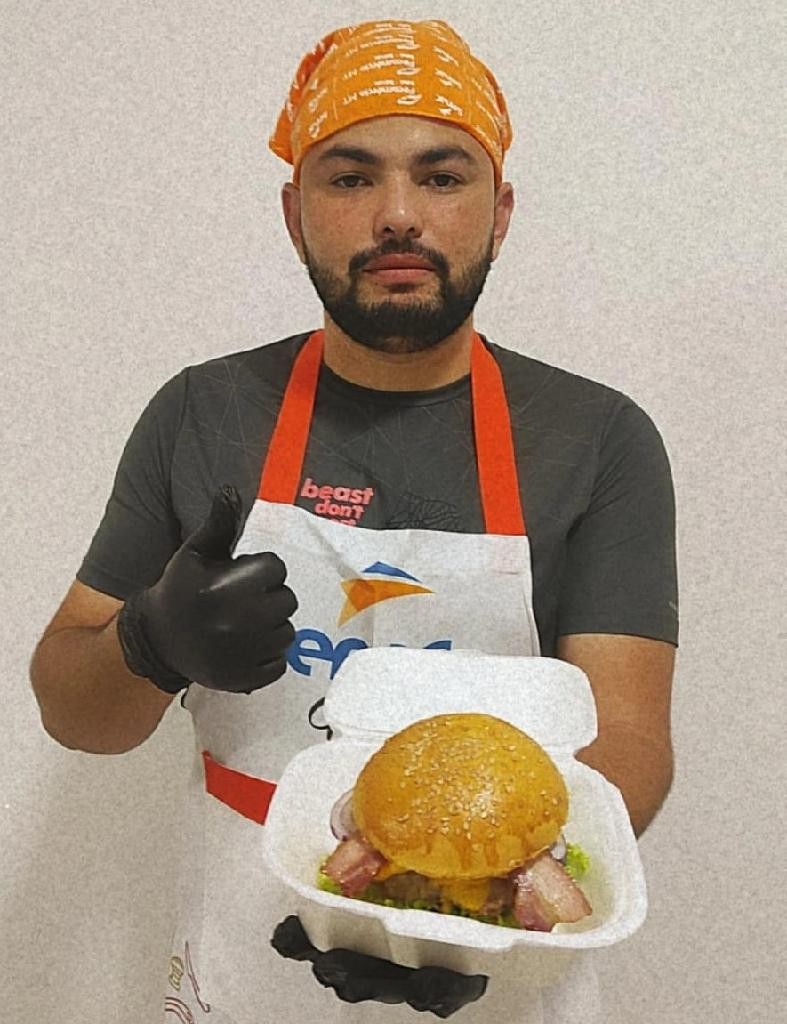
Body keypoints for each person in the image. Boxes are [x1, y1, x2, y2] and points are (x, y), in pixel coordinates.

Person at [29, 18, 678, 1024]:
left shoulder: (594, 438)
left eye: (442, 175)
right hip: (245, 956)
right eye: (349, 177)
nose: (398, 215)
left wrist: (472, 902)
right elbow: (77, 714)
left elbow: (629, 741)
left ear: (500, 210)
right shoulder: (204, 414)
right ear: (295, 212)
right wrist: (146, 642)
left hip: (501, 962)